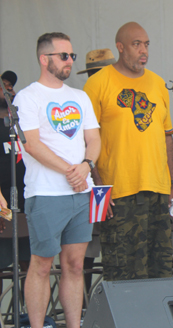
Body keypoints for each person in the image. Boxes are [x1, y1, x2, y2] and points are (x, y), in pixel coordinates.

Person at [14, 32, 101, 328]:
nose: (69, 61)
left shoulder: (80, 96)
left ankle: (74, 325)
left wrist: (86, 166)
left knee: (75, 265)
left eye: (72, 56)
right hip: (46, 194)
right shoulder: (27, 96)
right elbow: (32, 144)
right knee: (41, 264)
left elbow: (94, 139)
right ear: (44, 58)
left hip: (81, 193)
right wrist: (71, 170)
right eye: (64, 56)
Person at [83, 22, 173, 281]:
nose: (143, 50)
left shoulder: (158, 83)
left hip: (158, 189)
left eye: (146, 44)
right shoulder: (97, 84)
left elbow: (167, 137)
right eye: (137, 44)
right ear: (120, 47)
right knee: (122, 270)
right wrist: (98, 189)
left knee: (161, 268)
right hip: (117, 192)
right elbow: (84, 140)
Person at [77, 48, 116, 299]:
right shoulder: (82, 100)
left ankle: (107, 302)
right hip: (93, 181)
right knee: (87, 248)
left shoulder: (116, 95)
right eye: (96, 72)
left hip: (118, 179)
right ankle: (83, 304)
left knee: (111, 245)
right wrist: (99, 186)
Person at [0, 70, 31, 294]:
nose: (8, 88)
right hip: (2, 210)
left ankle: (31, 317)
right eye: (3, 85)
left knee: (31, 265)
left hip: (27, 208)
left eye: (10, 85)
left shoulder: (23, 126)